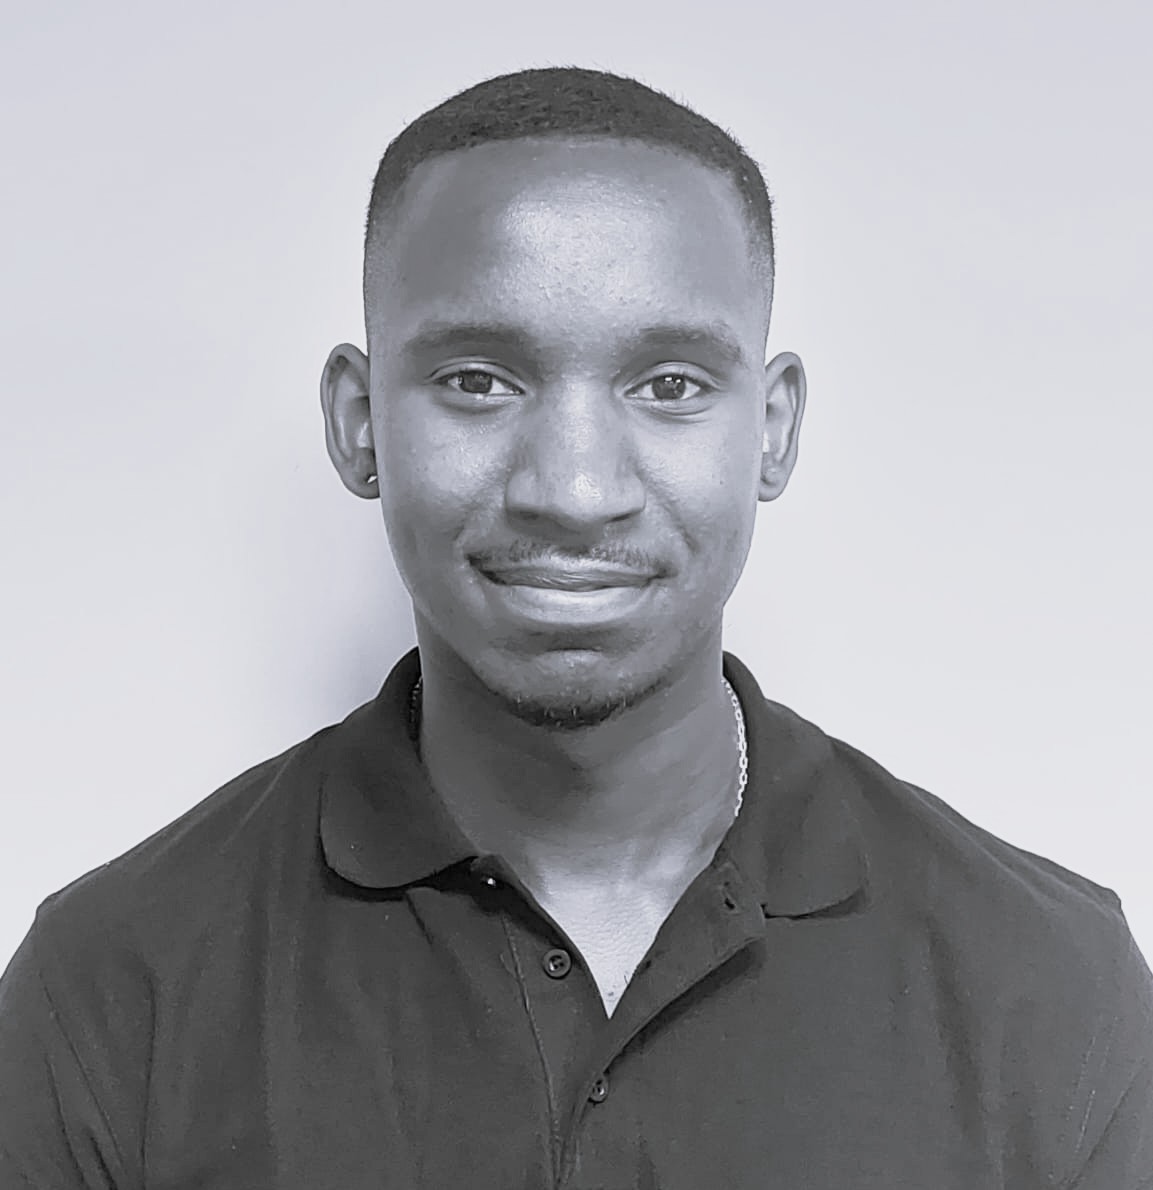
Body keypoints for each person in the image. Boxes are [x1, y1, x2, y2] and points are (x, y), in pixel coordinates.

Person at [1, 66, 1149, 1189]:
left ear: (772, 429)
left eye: (669, 385)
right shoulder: (113, 988)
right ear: (358, 422)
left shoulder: (1052, 992)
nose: (575, 488)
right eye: (478, 379)